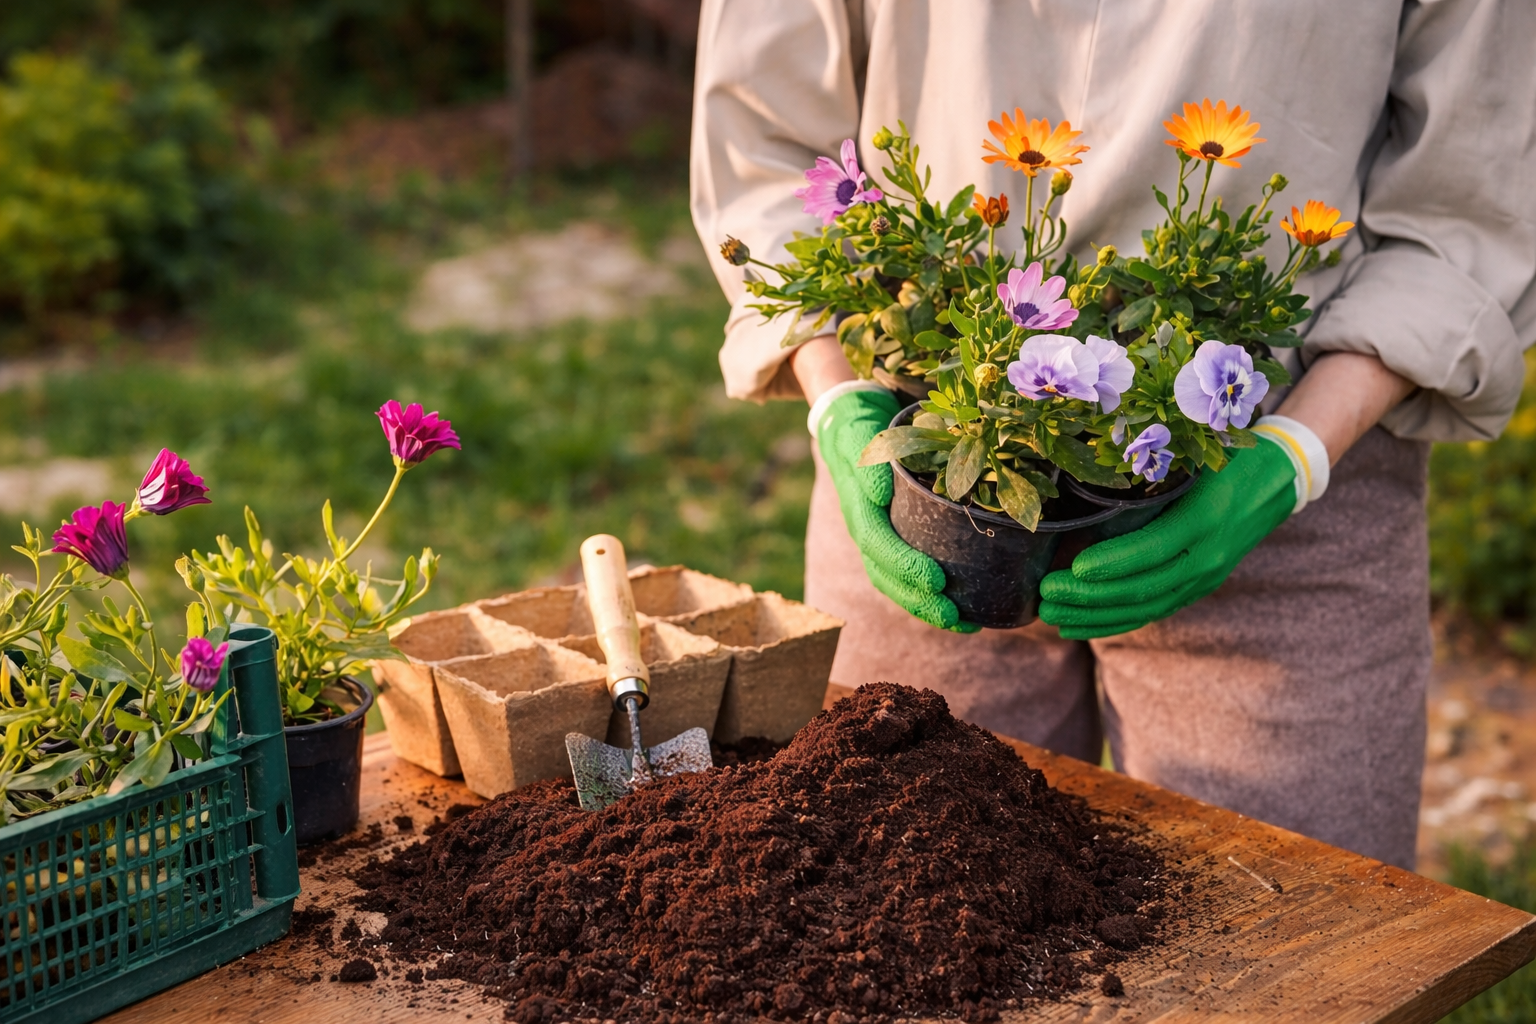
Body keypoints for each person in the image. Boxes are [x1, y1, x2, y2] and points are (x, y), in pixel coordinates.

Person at [689, 0, 1536, 869]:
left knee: (1288, 942)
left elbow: (1472, 192)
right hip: (934, 465)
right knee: (905, 919)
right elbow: (763, 143)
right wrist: (837, 402)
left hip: (1278, 469)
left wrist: (1297, 455)